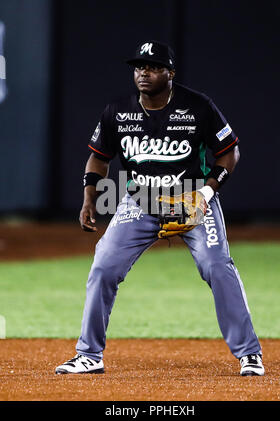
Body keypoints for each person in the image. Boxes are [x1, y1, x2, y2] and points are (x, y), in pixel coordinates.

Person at [55, 41, 264, 376]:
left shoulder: (197, 106)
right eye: (139, 67)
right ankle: (89, 354)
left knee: (217, 266)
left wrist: (208, 194)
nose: (144, 73)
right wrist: (89, 197)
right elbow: (99, 156)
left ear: (170, 73)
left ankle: (249, 353)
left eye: (152, 67)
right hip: (141, 199)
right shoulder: (117, 111)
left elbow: (229, 152)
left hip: (193, 198)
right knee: (104, 266)